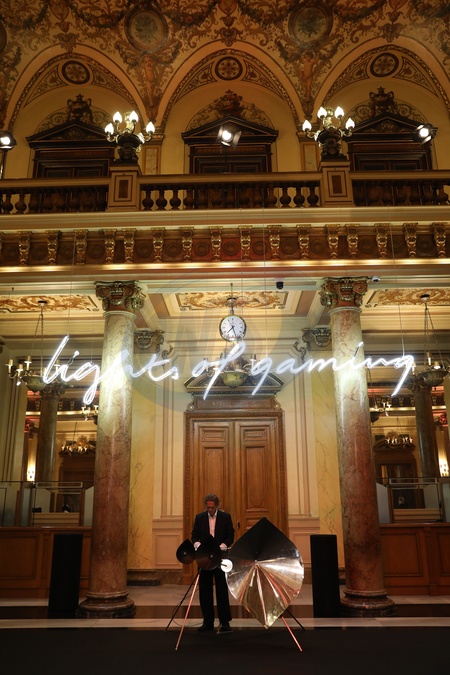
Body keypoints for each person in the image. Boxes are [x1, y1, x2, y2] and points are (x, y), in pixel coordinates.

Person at [191, 493, 235, 633]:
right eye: (208, 507)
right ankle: (207, 621)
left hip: (220, 557)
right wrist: (197, 544)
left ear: (217, 506)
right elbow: (194, 535)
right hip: (205, 558)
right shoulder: (199, 517)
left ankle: (224, 622)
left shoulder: (225, 517)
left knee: (222, 589)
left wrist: (224, 544)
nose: (210, 510)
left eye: (212, 507)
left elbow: (230, 535)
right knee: (205, 590)